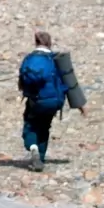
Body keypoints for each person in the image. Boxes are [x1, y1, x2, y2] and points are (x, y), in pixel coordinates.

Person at [17, 31, 85, 171]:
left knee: (30, 126)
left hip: (36, 101)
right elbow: (70, 81)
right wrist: (80, 105)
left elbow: (22, 83)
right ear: (49, 43)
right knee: (44, 127)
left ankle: (33, 148)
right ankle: (40, 159)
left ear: (36, 42)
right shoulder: (56, 59)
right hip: (55, 102)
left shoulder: (29, 59)